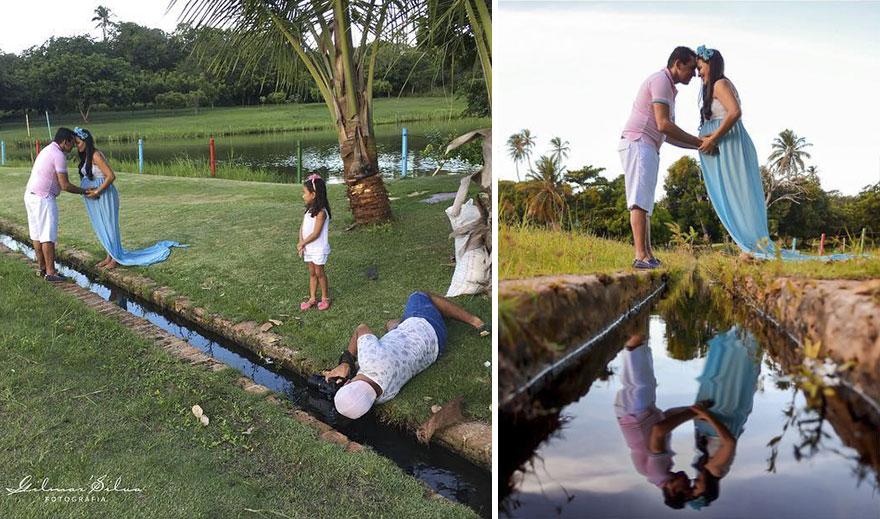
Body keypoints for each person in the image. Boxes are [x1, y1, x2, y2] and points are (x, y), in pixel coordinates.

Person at [322, 291, 489, 419]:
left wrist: (350, 374)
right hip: (427, 328)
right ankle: (476, 321)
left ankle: (401, 324)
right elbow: (361, 328)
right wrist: (346, 363)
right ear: (347, 382)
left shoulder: (384, 396)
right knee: (419, 296)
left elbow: (368, 385)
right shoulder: (370, 360)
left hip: (434, 352)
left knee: (391, 324)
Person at [619, 46, 714, 270]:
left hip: (649, 145)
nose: (694, 74)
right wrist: (699, 142)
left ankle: (648, 255)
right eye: (691, 68)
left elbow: (667, 134)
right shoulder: (660, 80)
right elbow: (664, 125)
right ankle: (640, 256)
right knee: (639, 201)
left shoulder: (669, 88)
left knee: (645, 203)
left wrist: (698, 146)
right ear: (678, 64)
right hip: (638, 141)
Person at [73, 127, 185, 268]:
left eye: (78, 143)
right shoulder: (86, 157)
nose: (76, 146)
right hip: (95, 196)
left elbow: (111, 176)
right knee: (102, 225)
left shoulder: (96, 155)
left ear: (86, 141)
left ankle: (115, 258)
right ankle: (109, 255)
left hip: (104, 194)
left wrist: (97, 191)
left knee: (110, 225)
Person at [613, 330, 696, 509]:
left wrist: (694, 413)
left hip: (634, 414)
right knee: (639, 356)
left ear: (673, 491)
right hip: (639, 411)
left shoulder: (658, 473)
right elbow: (667, 416)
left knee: (635, 349)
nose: (689, 481)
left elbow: (659, 430)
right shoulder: (662, 470)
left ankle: (632, 324)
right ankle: (633, 325)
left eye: (686, 487)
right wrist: (694, 410)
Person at [23, 127, 94, 282]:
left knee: (37, 235)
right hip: (43, 197)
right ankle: (51, 272)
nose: (73, 146)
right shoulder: (58, 155)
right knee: (47, 236)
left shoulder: (47, 150)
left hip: (30, 195)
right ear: (65, 141)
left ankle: (42, 269)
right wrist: (84, 191)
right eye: (72, 143)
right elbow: (65, 185)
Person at [297, 174, 331, 311]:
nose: (303, 195)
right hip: (309, 247)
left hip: (318, 248)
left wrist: (303, 243)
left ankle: (324, 298)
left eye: (304, 192)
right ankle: (312, 298)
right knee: (312, 272)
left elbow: (316, 233)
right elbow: (302, 227)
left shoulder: (321, 213)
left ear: (314, 194)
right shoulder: (308, 210)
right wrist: (301, 242)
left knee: (319, 273)